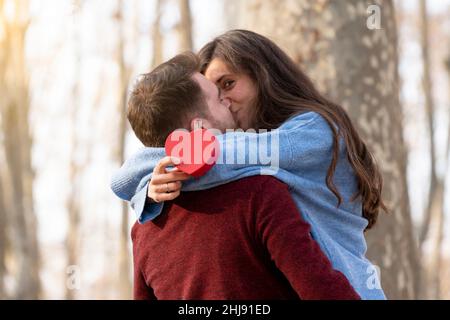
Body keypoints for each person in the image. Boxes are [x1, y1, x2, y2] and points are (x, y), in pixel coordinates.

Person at [111, 30, 387, 299]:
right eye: (216, 94)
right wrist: (153, 180)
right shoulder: (243, 183)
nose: (225, 102)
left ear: (264, 78)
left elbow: (222, 155)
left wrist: (164, 170)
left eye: (228, 84)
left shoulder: (314, 131)